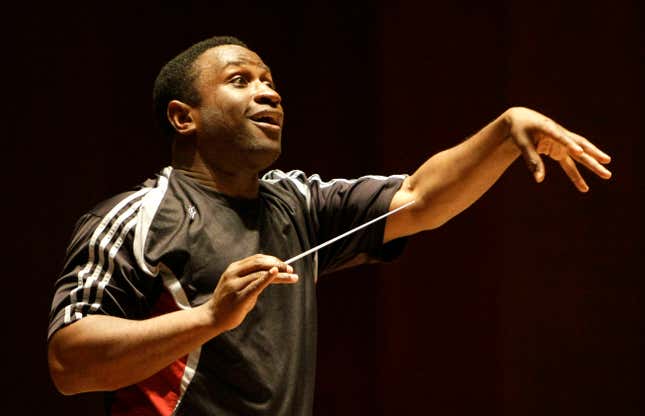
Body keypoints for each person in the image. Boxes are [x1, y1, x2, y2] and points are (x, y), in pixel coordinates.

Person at [47, 35, 612, 415]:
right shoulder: (136, 217)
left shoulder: (298, 203)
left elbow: (419, 197)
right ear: (183, 116)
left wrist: (504, 130)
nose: (269, 91)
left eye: (270, 81)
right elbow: (69, 362)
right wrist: (209, 318)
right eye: (240, 80)